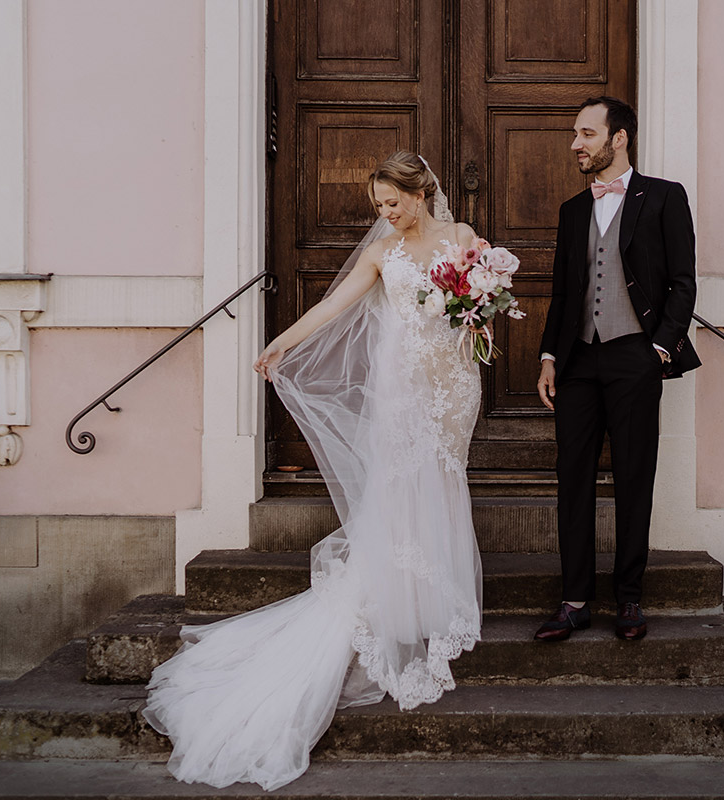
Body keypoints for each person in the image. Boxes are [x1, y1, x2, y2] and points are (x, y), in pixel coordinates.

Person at [143, 152, 484, 790]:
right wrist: (283, 342)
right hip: (404, 389)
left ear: (420, 193)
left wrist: (476, 326)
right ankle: (393, 607)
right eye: (379, 206)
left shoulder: (463, 240)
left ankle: (427, 602)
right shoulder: (384, 253)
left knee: (441, 484)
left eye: (393, 203)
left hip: (454, 386)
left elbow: (477, 307)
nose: (385, 215)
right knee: (399, 493)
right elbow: (334, 307)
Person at [534, 97, 699, 644]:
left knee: (634, 479)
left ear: (619, 137)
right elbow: (562, 293)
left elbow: (683, 282)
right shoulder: (572, 210)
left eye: (586, 133)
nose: (575, 144)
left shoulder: (665, 198)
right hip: (579, 360)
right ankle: (574, 600)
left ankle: (629, 598)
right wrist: (549, 356)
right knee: (572, 481)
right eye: (575, 134)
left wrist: (660, 350)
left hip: (636, 356)